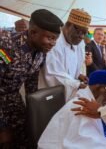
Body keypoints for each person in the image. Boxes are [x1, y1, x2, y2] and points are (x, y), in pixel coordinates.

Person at [0, 9, 63, 148]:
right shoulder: (7, 46)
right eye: (50, 38)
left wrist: (33, 112)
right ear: (33, 32)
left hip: (14, 101)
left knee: (25, 139)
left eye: (55, 39)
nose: (53, 43)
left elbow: (31, 84)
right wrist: (2, 127)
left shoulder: (41, 51)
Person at [38, 9, 91, 101]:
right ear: (68, 25)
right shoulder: (54, 42)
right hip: (49, 97)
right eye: (79, 32)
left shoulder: (80, 43)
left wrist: (79, 75)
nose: (81, 36)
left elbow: (74, 66)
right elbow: (53, 74)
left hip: (70, 93)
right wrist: (78, 85)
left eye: (84, 33)